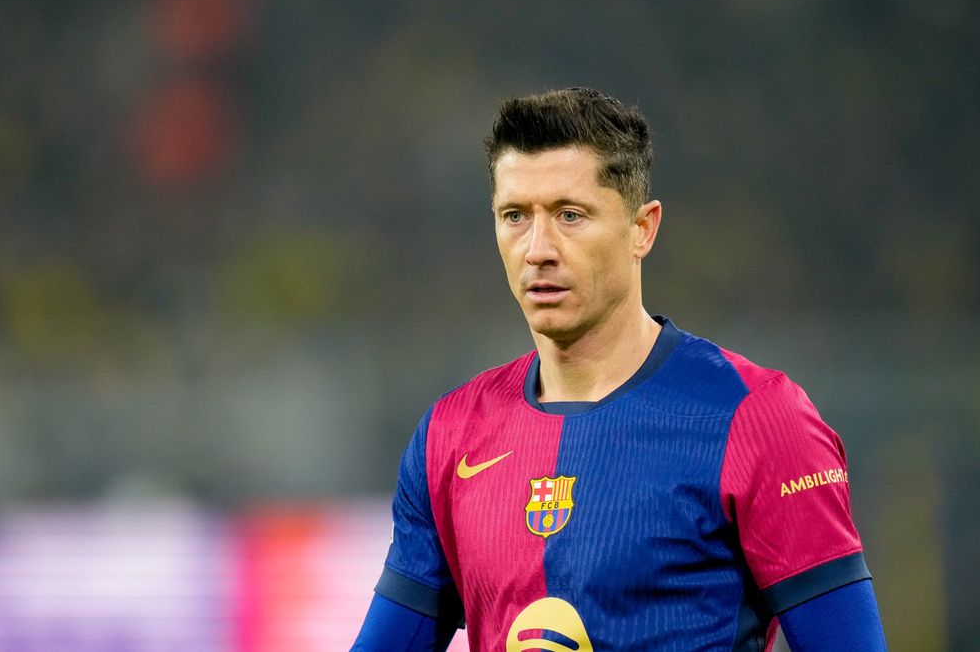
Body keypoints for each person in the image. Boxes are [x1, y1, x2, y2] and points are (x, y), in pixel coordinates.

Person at [352, 87, 887, 651]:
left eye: (570, 215)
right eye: (515, 216)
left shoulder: (756, 419)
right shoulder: (450, 435)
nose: (538, 249)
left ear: (642, 229)